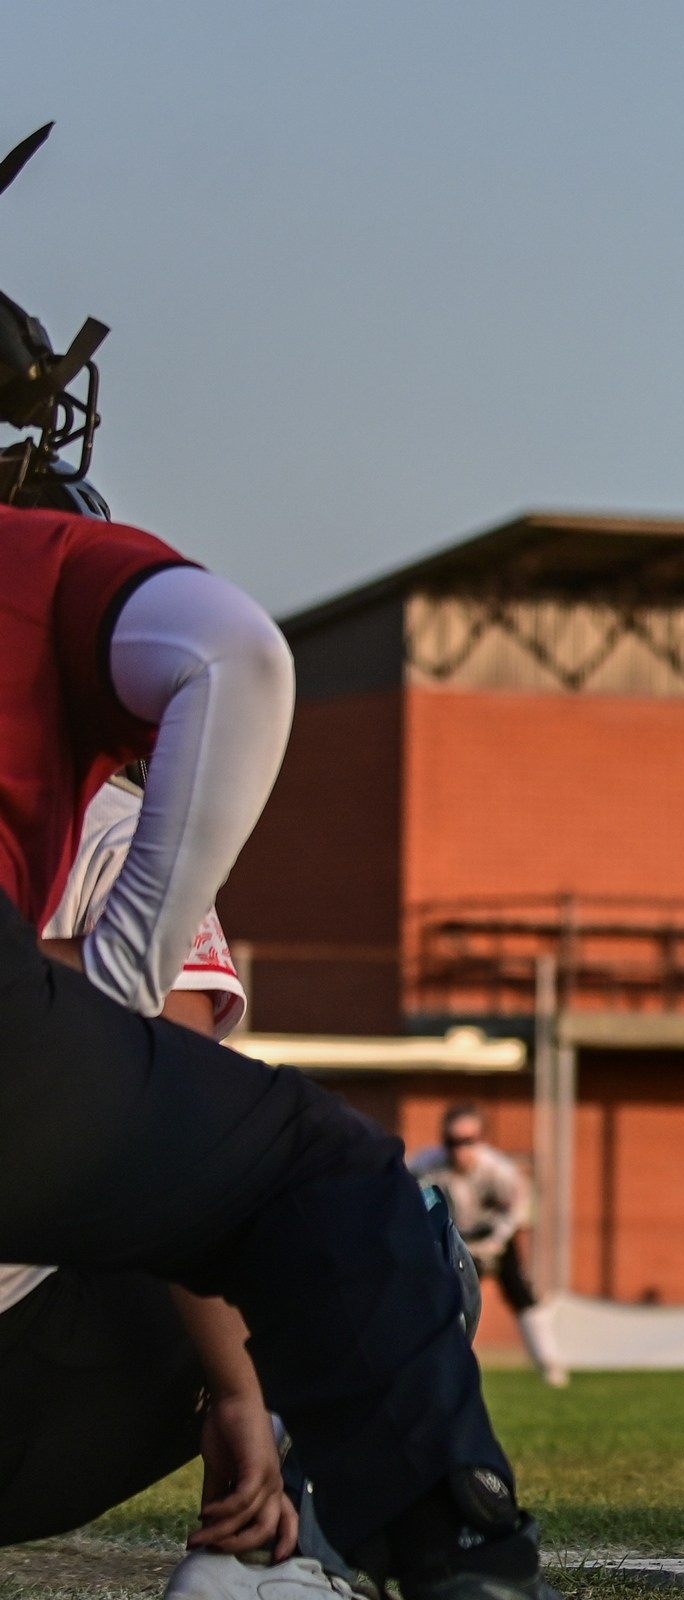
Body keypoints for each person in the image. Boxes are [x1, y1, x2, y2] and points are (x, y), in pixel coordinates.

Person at [0, 497, 560, 1600]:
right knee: (366, 1214)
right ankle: (285, 1553)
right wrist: (239, 1393)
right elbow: (182, 1132)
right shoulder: (115, 803)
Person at [0, 773, 278, 1569]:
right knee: (399, 1236)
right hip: (23, 1373)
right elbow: (172, 1086)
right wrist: (238, 1387)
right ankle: (268, 1567)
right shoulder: (120, 829)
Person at [413, 1105, 568, 1388]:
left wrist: (496, 1241)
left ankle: (550, 1364)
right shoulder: (426, 1164)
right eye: (453, 1142)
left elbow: (520, 1206)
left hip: (493, 1238)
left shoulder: (497, 1169)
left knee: (520, 1292)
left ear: (480, 1140)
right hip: (453, 1238)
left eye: (468, 1141)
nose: (460, 1149)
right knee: (442, 1298)